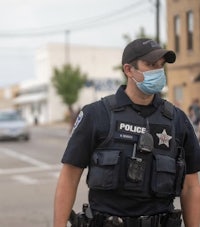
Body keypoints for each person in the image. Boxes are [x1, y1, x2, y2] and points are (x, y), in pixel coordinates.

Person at [54, 38, 200, 227]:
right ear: (129, 70)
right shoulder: (97, 115)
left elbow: (191, 186)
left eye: (161, 65)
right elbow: (69, 178)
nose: (158, 71)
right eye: (150, 64)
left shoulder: (178, 121)